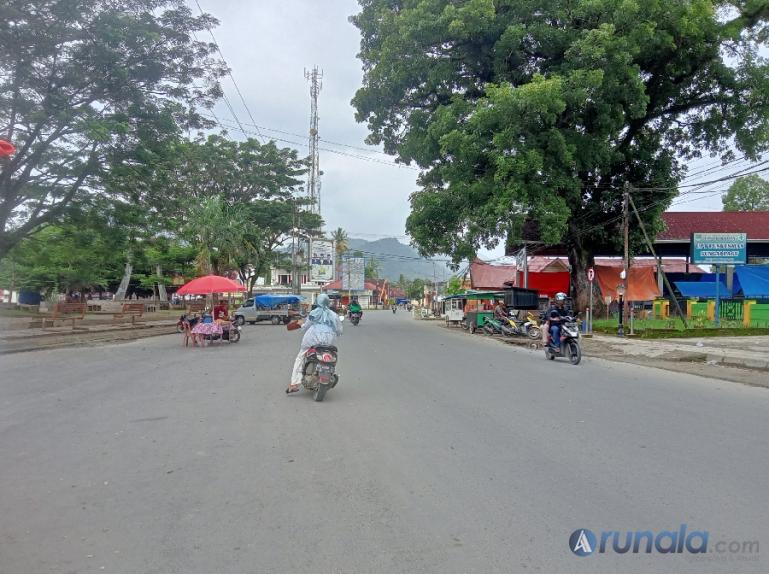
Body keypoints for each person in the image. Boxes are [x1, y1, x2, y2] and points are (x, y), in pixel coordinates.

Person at [287, 293, 343, 394]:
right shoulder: (334, 315)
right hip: (329, 341)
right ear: (328, 303)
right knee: (332, 354)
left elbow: (305, 327)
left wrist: (300, 324)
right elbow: (339, 331)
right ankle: (331, 373)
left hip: (312, 339)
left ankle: (294, 383)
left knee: (300, 357)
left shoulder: (314, 313)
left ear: (317, 302)